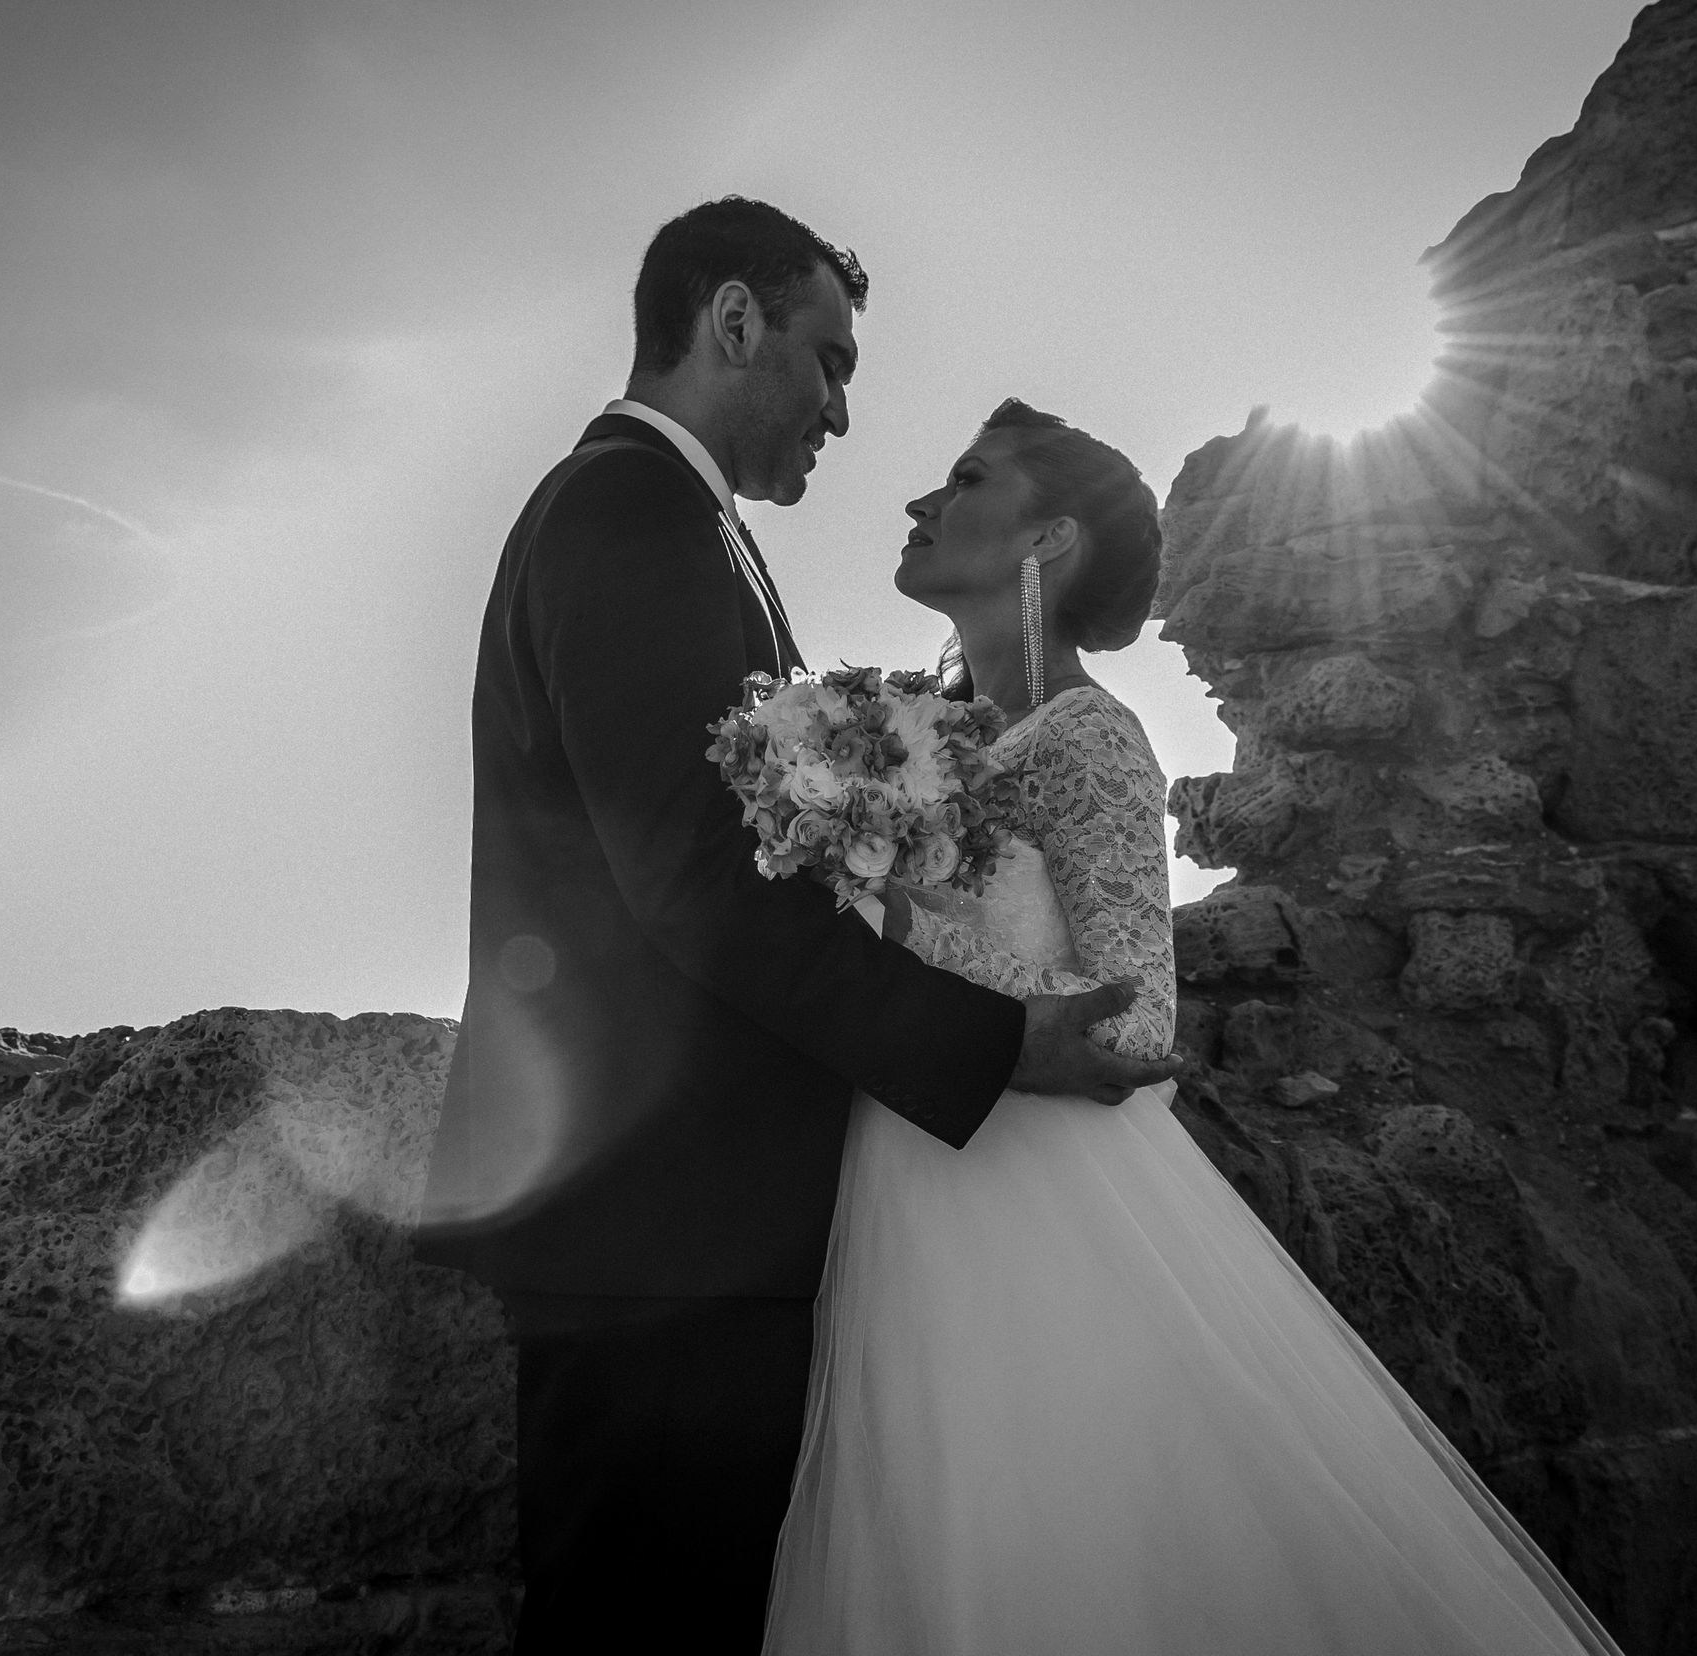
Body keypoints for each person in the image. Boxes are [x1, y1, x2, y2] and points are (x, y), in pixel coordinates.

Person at [414, 200, 1173, 1653]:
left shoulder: (690, 530)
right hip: (656, 1231)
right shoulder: (628, 512)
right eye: (827, 359)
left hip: (693, 1229)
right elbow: (700, 882)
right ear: (733, 322)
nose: (841, 408)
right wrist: (994, 1042)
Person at [760, 401, 1627, 1656]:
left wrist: (892, 924)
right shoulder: (922, 740)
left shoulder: (1092, 737)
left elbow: (1139, 1021)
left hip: (1030, 1206)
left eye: (962, 479)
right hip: (898, 1170)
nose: (917, 503)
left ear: (1048, 537)